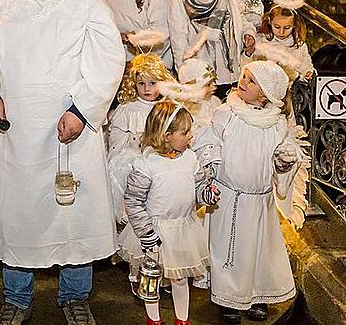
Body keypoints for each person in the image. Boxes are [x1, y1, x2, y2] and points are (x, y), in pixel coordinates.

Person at [0, 0, 125, 325]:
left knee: (73, 215)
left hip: (69, 129)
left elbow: (109, 58)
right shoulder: (5, 2)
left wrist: (83, 110)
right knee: (18, 216)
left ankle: (75, 297)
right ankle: (16, 298)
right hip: (17, 131)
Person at [197, 61, 307, 323]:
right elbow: (209, 142)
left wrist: (284, 161)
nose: (242, 81)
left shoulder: (276, 124)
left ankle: (258, 295)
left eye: (251, 80)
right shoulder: (227, 114)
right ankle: (230, 298)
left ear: (266, 94)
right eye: (244, 76)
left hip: (260, 201)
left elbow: (283, 158)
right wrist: (211, 166)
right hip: (229, 197)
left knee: (259, 250)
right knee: (230, 248)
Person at [121, 101, 218, 325]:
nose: (190, 136)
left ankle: (181, 320)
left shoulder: (190, 158)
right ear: (166, 136)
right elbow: (134, 201)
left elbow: (197, 190)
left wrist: (207, 195)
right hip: (153, 233)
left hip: (182, 229)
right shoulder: (147, 164)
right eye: (184, 132)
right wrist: (146, 235)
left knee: (181, 277)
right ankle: (153, 320)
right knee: (151, 278)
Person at [168, 0, 257, 93]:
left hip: (234, 71)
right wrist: (187, 81)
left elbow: (238, 15)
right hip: (203, 76)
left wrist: (248, 33)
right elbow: (179, 42)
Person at [107, 54, 175, 225]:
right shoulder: (127, 109)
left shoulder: (167, 107)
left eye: (152, 83)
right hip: (134, 161)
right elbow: (115, 141)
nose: (146, 89)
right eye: (141, 83)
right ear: (133, 83)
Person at [247, 0, 314, 81]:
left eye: (287, 28)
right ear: (270, 22)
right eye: (277, 27)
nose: (281, 32)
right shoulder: (260, 40)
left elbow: (306, 69)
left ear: (294, 25)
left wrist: (308, 74)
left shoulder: (299, 47)